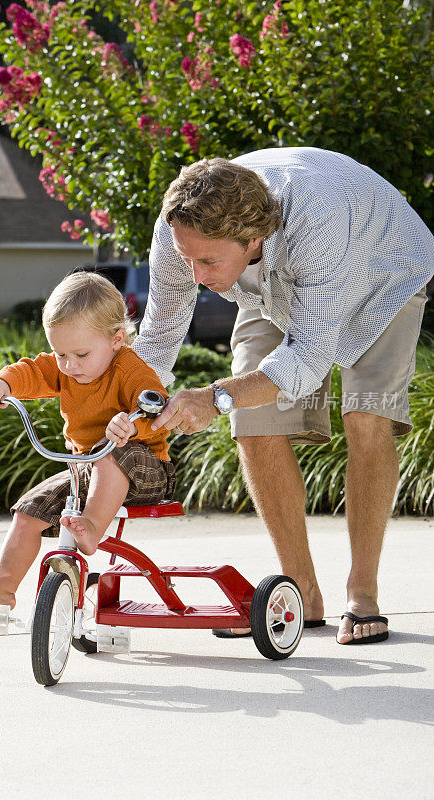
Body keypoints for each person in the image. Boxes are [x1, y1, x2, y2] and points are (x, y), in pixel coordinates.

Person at [132, 147, 433, 645]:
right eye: (187, 257)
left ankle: (363, 592)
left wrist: (213, 396)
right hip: (275, 288)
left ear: (254, 238)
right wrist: (124, 406)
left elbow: (309, 358)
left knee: (366, 417)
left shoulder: (317, 220)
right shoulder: (178, 228)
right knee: (252, 423)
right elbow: (159, 337)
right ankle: (301, 595)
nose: (194, 276)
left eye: (206, 260)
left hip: (383, 271)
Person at [0, 271, 175, 620]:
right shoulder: (65, 367)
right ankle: (3, 588)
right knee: (29, 510)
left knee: (109, 450)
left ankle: (90, 526)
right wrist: (3, 382)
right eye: (61, 354)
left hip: (146, 469)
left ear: (117, 339)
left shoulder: (131, 370)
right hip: (89, 471)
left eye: (81, 354)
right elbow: (33, 371)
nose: (70, 366)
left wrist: (132, 422)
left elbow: (157, 407)